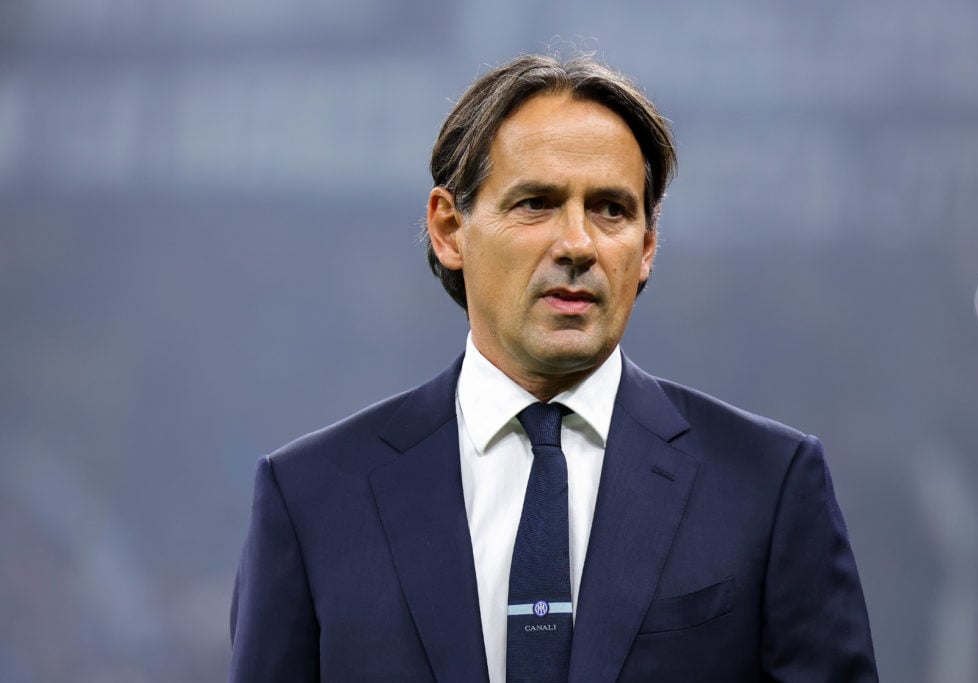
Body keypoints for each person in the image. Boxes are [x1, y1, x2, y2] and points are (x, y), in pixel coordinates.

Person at [229, 54, 878, 682]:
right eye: (536, 203)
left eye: (611, 210)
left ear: (647, 246)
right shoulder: (312, 499)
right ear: (449, 228)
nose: (577, 244)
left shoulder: (768, 486)